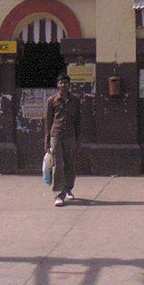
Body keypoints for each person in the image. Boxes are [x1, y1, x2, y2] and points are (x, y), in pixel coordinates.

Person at [44, 73, 81, 207]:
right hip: (56, 135)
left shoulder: (75, 100)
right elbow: (48, 122)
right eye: (61, 83)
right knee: (58, 165)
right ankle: (59, 194)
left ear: (69, 84)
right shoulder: (52, 100)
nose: (63, 85)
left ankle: (68, 188)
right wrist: (47, 141)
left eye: (65, 83)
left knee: (70, 163)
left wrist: (78, 139)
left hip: (70, 136)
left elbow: (78, 121)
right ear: (57, 85)